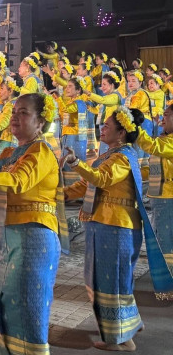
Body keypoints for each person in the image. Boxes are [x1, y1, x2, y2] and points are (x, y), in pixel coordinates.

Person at [0, 93, 66, 355]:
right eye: (14, 112)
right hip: (11, 240)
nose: (15, 117)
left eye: (23, 112)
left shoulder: (41, 152)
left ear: (40, 122)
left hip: (35, 238)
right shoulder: (9, 153)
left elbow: (17, 181)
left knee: (26, 313)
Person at [62, 106, 173, 350]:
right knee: (116, 281)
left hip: (116, 226)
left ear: (121, 133)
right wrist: (61, 194)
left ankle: (120, 339)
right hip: (106, 224)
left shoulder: (122, 157)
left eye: (107, 126)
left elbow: (101, 179)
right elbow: (89, 184)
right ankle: (129, 325)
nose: (102, 129)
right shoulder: (111, 155)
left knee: (110, 282)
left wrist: (76, 162)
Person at [135, 102, 173, 284]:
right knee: (162, 239)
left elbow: (152, 146)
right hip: (161, 199)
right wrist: (132, 171)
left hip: (169, 199)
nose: (162, 119)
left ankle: (168, 280)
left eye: (166, 115)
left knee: (165, 241)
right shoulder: (166, 140)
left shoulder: (168, 143)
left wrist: (133, 128)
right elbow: (154, 168)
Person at [54, 78, 90, 187]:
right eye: (67, 86)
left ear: (78, 90)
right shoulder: (72, 102)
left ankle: (74, 188)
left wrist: (58, 99)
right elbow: (64, 116)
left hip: (74, 137)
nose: (67, 89)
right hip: (69, 134)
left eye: (70, 86)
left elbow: (66, 109)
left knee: (70, 161)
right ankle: (70, 188)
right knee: (67, 161)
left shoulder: (78, 103)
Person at [84, 71, 124, 154]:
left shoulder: (115, 96)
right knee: (103, 151)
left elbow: (102, 100)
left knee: (106, 152)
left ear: (112, 85)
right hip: (105, 127)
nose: (102, 87)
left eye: (104, 84)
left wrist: (88, 93)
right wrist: (88, 107)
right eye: (102, 84)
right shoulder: (107, 97)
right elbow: (97, 110)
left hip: (112, 128)